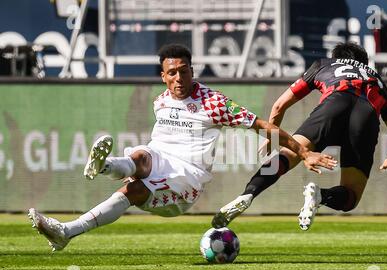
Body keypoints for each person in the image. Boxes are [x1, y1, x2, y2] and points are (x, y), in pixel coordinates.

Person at [28, 44, 336, 252]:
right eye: (172, 73)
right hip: (159, 158)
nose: (179, 78)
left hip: (187, 180)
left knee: (133, 190)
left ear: (192, 70)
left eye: (184, 70)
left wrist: (305, 152)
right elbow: (153, 151)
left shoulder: (213, 103)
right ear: (163, 77)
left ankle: (72, 223)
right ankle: (103, 168)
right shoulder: (160, 101)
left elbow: (263, 126)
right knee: (140, 155)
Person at [212, 42, 387, 231]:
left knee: (288, 155)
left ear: (336, 58)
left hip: (335, 104)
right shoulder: (376, 79)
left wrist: (271, 138)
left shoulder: (324, 64)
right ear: (364, 64)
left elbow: (280, 105)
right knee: (351, 197)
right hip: (366, 115)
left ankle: (248, 193)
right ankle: (321, 196)